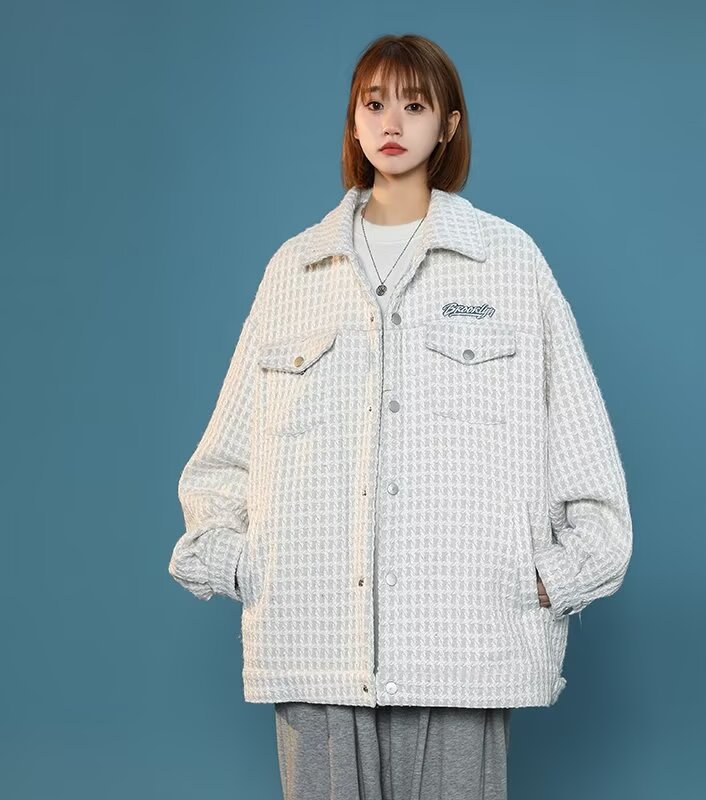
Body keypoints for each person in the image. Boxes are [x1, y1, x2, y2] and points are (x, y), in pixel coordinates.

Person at [168, 33, 633, 800]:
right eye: (374, 103)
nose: (392, 122)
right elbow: (221, 464)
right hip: (313, 640)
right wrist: (252, 569)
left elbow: (589, 468)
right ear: (353, 122)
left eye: (415, 106)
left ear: (448, 125)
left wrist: (540, 582)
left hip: (464, 645)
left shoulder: (509, 264)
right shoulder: (295, 271)